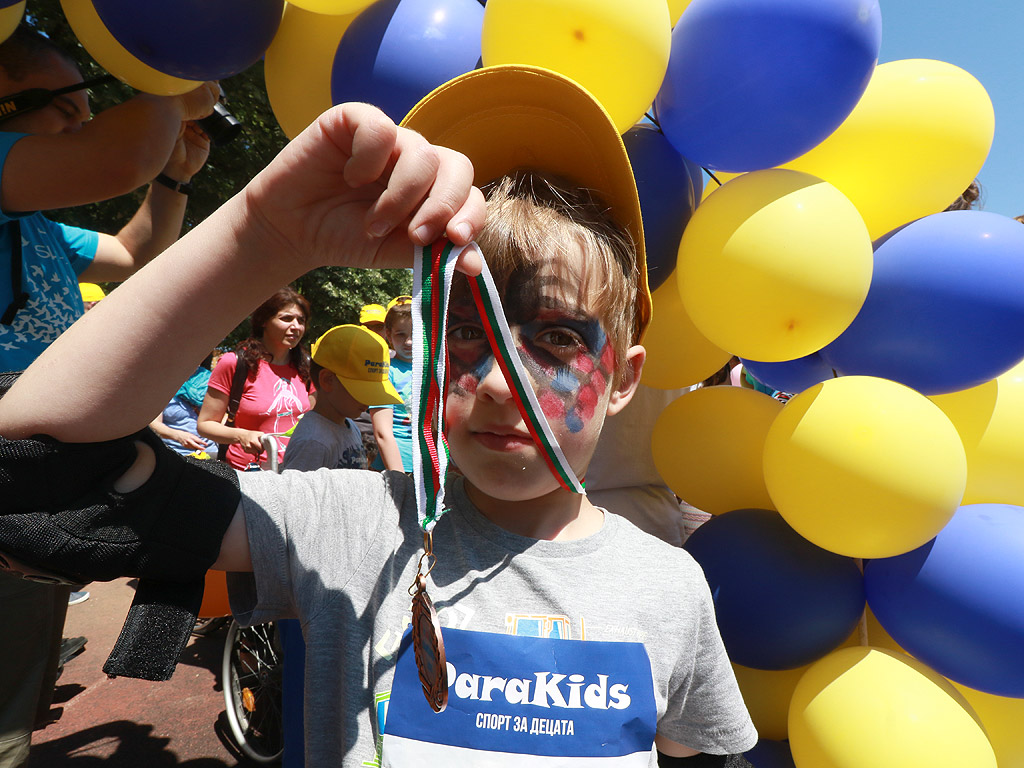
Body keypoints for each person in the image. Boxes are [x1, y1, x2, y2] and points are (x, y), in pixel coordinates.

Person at [0, 65, 756, 767]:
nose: (496, 381)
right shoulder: (346, 527)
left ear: (622, 380)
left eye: (557, 338)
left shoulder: (670, 589)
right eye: (466, 331)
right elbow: (39, 487)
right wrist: (263, 237)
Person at [0, 25, 216, 768]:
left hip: (46, 433)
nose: (88, 125)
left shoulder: (38, 221)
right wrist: (174, 67)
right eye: (70, 109)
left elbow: (134, 252)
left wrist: (175, 177)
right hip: (13, 424)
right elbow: (117, 155)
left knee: (29, 615)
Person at [278, 323, 403, 768]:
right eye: (360, 388)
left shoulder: (347, 425)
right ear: (327, 380)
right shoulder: (313, 437)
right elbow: (295, 510)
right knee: (309, 688)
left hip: (341, 568)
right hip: (311, 580)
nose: (369, 401)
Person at [197, 288, 314, 470]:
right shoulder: (235, 363)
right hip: (249, 475)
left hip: (296, 474)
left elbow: (312, 422)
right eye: (286, 318)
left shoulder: (306, 366)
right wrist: (242, 435)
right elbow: (205, 425)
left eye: (301, 320)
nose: (296, 326)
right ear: (264, 321)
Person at [370, 296, 414, 471]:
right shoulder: (385, 371)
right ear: (388, 335)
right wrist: (399, 477)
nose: (409, 342)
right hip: (397, 465)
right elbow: (382, 433)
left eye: (415, 333)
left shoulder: (435, 370)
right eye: (400, 335)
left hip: (430, 466)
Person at [149, 354, 219, 457]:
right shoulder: (161, 385)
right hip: (179, 455)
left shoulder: (210, 380)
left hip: (212, 452)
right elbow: (155, 425)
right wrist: (178, 436)